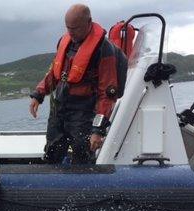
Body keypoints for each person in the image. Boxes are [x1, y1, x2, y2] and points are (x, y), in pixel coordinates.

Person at [29, 4, 123, 164]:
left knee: (82, 153)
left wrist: (98, 131)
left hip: (83, 112)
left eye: (76, 28)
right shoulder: (64, 42)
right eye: (68, 28)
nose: (71, 33)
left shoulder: (104, 50)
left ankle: (85, 185)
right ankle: (53, 184)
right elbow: (55, 73)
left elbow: (107, 94)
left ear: (89, 22)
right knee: (52, 150)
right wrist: (38, 94)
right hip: (59, 108)